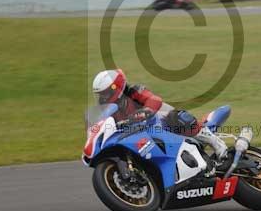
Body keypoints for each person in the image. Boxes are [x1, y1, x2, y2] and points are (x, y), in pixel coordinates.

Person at [92, 69, 227, 161]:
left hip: (158, 124)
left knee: (178, 117)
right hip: (138, 136)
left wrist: (146, 111)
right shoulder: (109, 107)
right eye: (100, 94)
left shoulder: (134, 91)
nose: (103, 97)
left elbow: (154, 100)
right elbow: (103, 122)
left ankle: (216, 143)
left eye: (105, 92)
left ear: (116, 87)